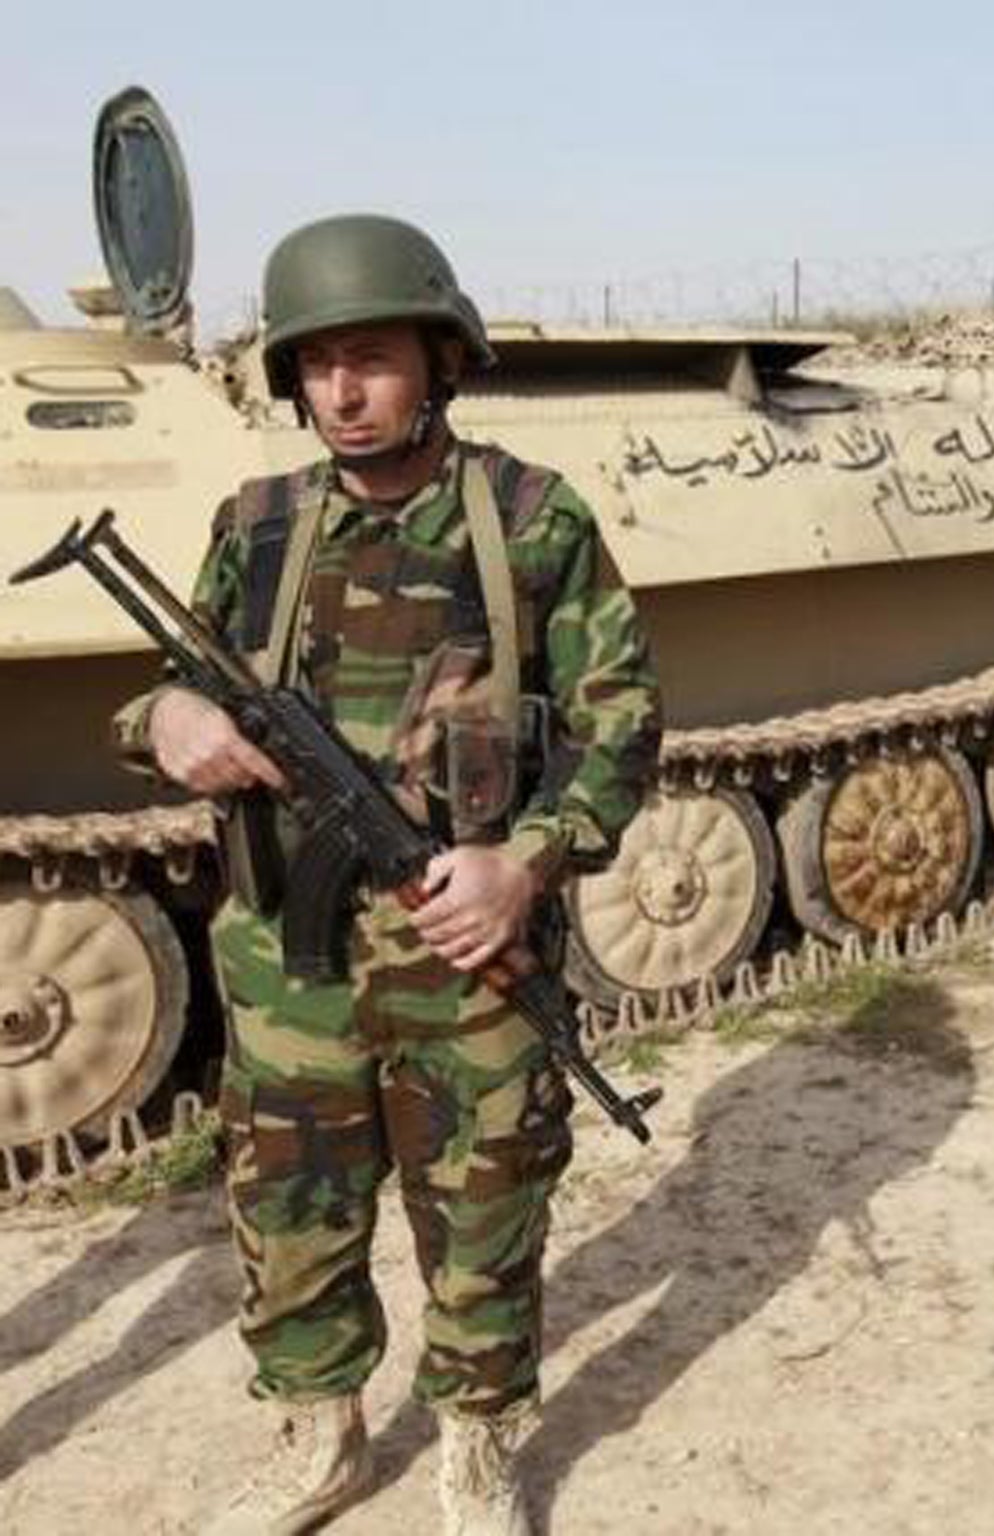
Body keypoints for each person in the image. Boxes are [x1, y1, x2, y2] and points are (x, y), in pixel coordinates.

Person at [112, 214, 662, 1535]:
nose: (342, 393)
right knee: (289, 1206)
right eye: (315, 366)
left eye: (372, 359)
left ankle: (477, 1448)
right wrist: (162, 726)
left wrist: (524, 866)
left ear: (440, 359)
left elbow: (624, 722)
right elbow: (175, 694)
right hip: (286, 962)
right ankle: (326, 1438)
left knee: (485, 1208)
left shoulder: (532, 519)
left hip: (465, 948)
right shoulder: (257, 526)